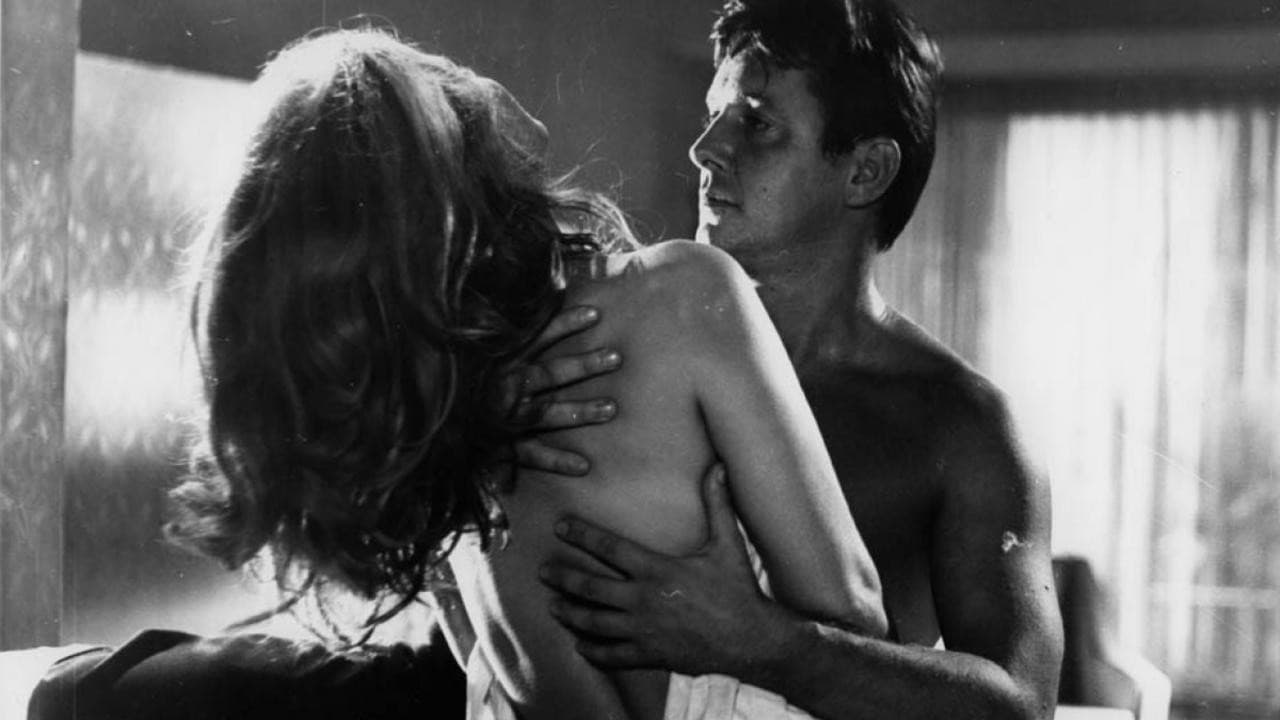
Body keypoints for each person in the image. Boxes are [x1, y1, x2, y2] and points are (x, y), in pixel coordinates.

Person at [162, 27, 885, 720]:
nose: (471, 76)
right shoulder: (684, 296)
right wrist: (752, 632)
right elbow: (854, 613)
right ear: (438, 176)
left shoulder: (449, 471)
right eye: (437, 79)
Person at [538, 1, 1066, 718]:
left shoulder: (960, 424)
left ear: (865, 172)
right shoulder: (607, 347)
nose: (704, 149)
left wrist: (767, 645)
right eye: (713, 115)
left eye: (756, 124)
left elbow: (1021, 706)